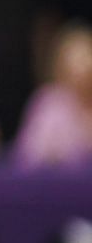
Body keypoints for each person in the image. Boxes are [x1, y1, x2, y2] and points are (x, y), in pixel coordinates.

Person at [13, 23, 92, 169]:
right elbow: (28, 158)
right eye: (76, 61)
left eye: (87, 58)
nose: (82, 68)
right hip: (56, 187)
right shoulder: (49, 103)